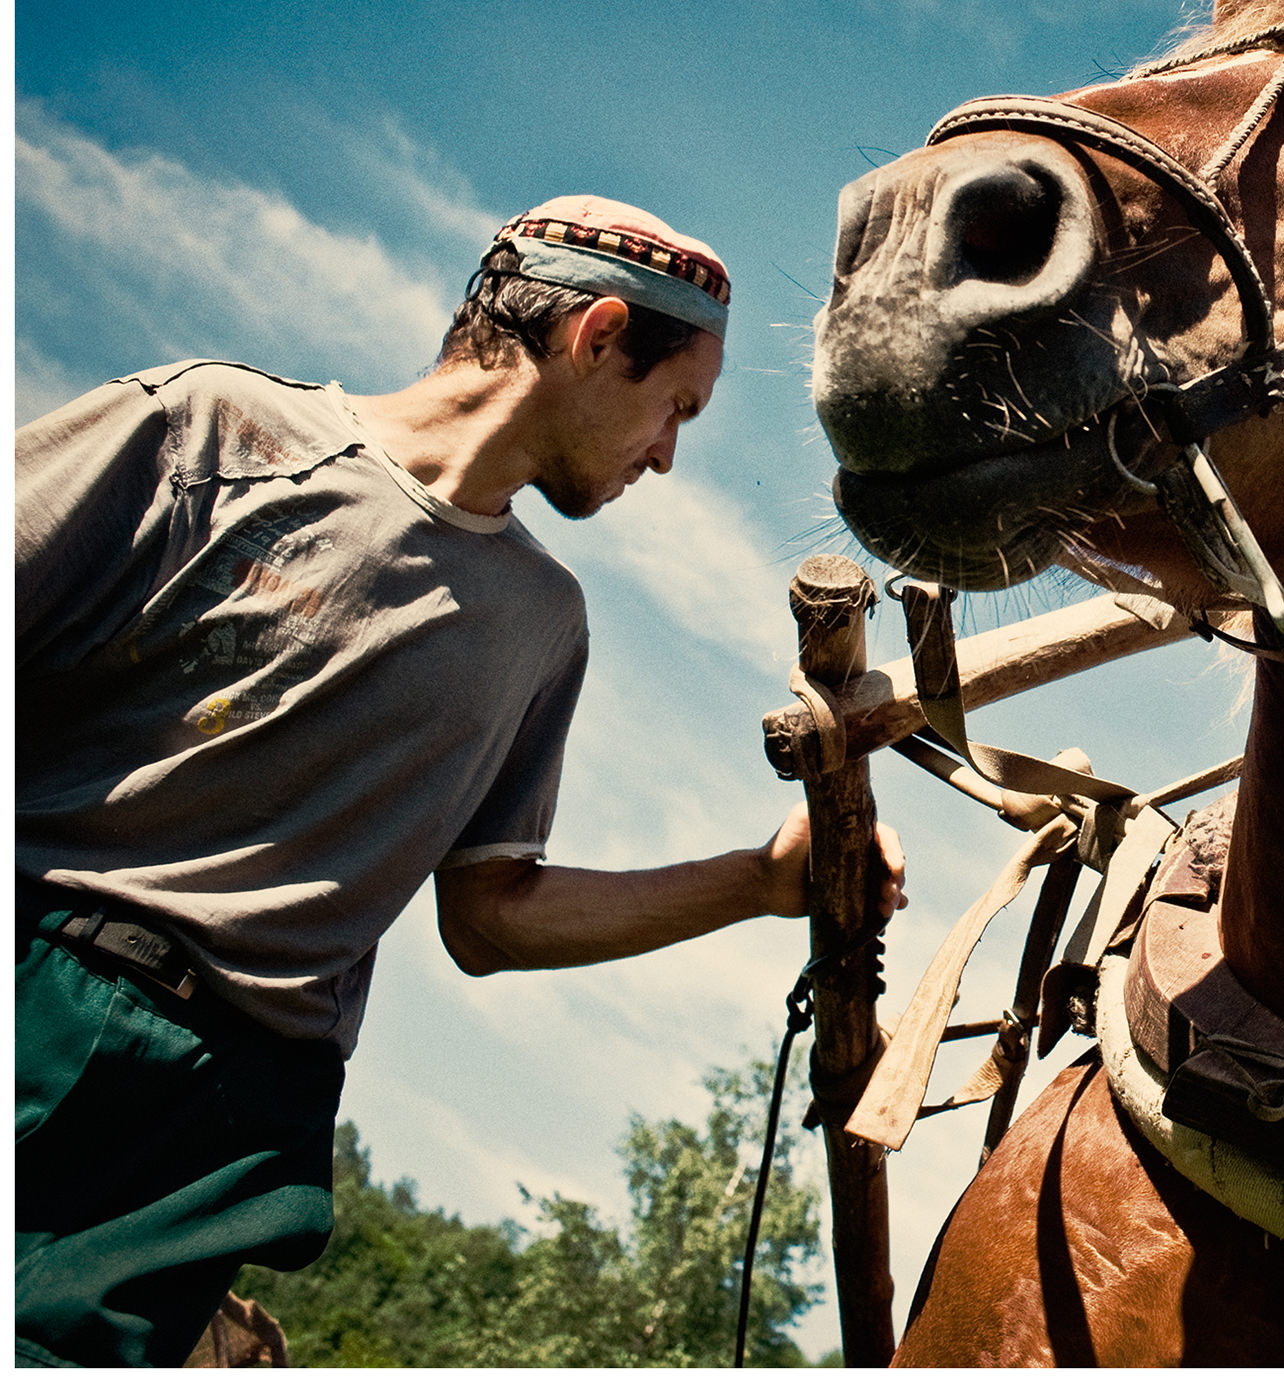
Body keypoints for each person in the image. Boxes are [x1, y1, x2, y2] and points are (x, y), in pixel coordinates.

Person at [15, 196, 901, 1368]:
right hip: (43, 978)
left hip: (227, 1122)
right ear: (594, 338)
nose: (670, 455)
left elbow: (490, 916)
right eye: (673, 406)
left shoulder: (542, 625)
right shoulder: (217, 435)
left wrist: (753, 880)